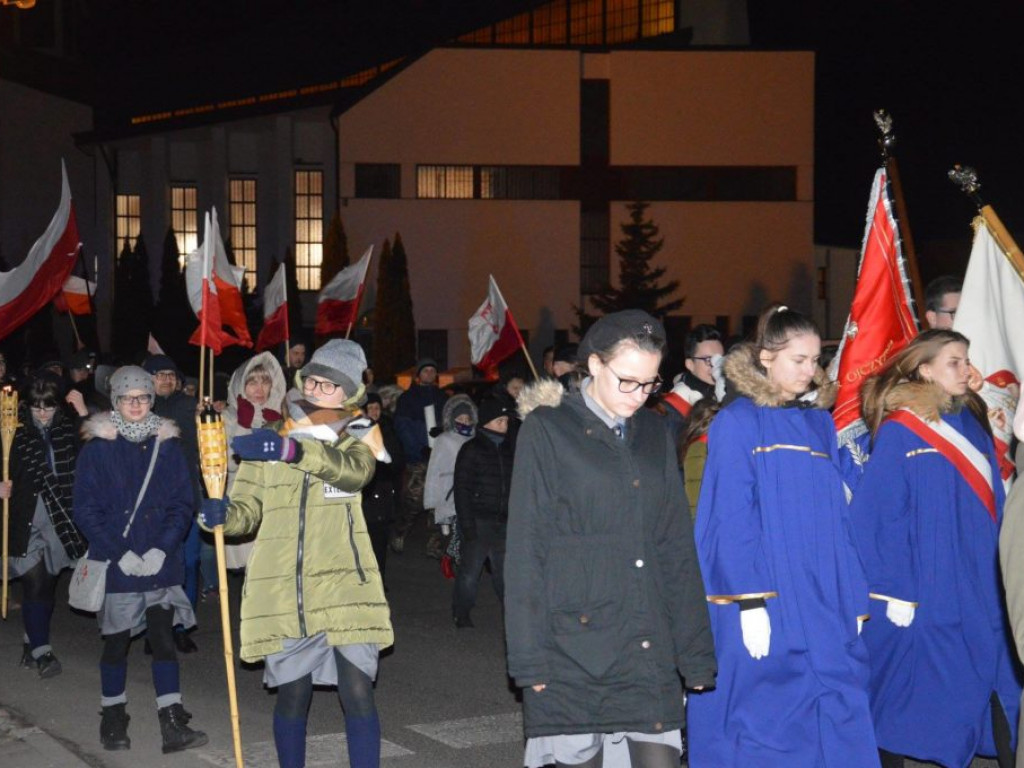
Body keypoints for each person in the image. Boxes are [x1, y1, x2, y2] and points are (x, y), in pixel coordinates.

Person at [506, 309, 715, 768]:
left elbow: (675, 546)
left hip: (646, 643)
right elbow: (526, 550)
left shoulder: (656, 433)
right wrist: (528, 659)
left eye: (649, 383)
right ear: (595, 364)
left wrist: (695, 650)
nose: (639, 396)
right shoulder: (548, 429)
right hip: (573, 649)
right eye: (628, 381)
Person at [687, 304, 878, 767]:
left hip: (823, 594)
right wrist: (749, 600)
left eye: (815, 361)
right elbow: (730, 516)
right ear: (766, 357)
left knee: (835, 707)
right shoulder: (737, 421)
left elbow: (839, 518)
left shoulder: (818, 425)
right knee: (767, 716)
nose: (809, 371)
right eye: (799, 360)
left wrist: (853, 596)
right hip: (770, 592)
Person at [200, 340, 393, 768]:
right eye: (316, 381)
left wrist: (293, 451)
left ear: (351, 393)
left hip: (346, 582)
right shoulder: (270, 437)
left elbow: (354, 473)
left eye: (332, 385)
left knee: (358, 691)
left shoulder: (359, 433)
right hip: (286, 586)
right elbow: (247, 513)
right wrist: (218, 514)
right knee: (292, 694)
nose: (321, 390)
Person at [850, 329, 1020, 768]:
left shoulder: (971, 420)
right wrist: (892, 589)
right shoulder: (900, 430)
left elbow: (996, 502)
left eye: (967, 360)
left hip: (984, 578)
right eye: (954, 362)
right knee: (916, 691)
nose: (966, 370)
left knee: (1000, 674)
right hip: (930, 585)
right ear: (925, 369)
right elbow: (879, 517)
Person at [73, 366, 207, 753]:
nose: (136, 404)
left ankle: (171, 720)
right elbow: (86, 510)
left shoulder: (168, 447)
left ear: (152, 401)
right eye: (128, 398)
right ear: (115, 401)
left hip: (159, 562)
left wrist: (161, 548)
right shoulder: (97, 450)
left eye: (143, 397)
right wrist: (121, 553)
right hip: (118, 563)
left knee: (163, 640)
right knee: (116, 643)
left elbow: (182, 503)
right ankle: (113, 716)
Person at [1, 372, 87, 678]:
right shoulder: (12, 429)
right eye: (36, 407)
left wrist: (84, 414)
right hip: (26, 516)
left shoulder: (70, 430)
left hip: (59, 517)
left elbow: (97, 455)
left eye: (47, 407)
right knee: (34, 581)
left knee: (47, 586)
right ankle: (42, 651)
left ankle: (31, 638)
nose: (41, 414)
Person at [143, 354, 203, 652]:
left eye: (170, 374)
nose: (166, 379)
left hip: (186, 499)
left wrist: (208, 418)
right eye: (158, 374)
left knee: (188, 565)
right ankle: (155, 628)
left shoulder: (188, 407)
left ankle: (181, 626)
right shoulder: (137, 410)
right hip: (151, 505)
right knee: (155, 566)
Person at [451, 397, 515, 629]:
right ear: (488, 422)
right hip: (479, 520)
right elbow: (462, 488)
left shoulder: (509, 450)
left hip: (504, 521)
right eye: (500, 420)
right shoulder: (471, 450)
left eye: (506, 421)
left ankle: (513, 613)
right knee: (470, 572)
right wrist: (467, 525)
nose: (505, 425)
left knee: (505, 573)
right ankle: (462, 611)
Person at [221, 351, 287, 572]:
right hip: (243, 500)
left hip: (275, 504)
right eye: (252, 382)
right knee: (250, 576)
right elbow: (228, 464)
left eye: (265, 381)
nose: (260, 389)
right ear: (240, 384)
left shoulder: (281, 416)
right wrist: (243, 425)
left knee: (276, 575)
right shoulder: (227, 417)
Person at [392, 358, 448, 554]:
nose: (430, 374)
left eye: (433, 371)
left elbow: (449, 424)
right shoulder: (408, 399)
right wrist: (418, 449)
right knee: (414, 499)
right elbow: (403, 427)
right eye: (426, 371)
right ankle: (400, 531)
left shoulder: (443, 397)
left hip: (439, 458)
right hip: (419, 459)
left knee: (438, 501)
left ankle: (434, 543)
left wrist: (442, 439)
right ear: (418, 376)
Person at [423, 393, 478, 560]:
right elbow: (435, 469)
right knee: (456, 533)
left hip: (473, 493)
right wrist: (432, 500)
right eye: (461, 418)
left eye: (468, 419)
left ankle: (460, 561)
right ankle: (455, 561)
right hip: (451, 493)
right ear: (454, 419)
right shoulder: (444, 440)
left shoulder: (476, 438)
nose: (465, 422)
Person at [361, 392, 404, 589]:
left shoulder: (389, 429)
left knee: (380, 540)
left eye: (377, 408)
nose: (374, 412)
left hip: (384, 492)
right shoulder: (357, 429)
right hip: (365, 492)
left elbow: (396, 461)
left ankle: (379, 579)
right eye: (370, 408)